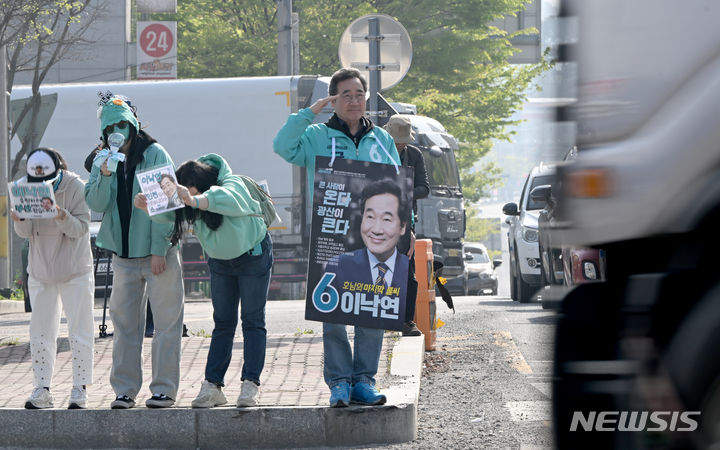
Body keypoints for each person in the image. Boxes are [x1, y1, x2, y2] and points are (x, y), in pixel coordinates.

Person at [273, 67, 400, 408]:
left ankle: (364, 381)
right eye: (346, 95)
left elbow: (397, 187)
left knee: (371, 309)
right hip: (331, 231)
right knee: (333, 310)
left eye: (359, 94)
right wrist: (308, 112)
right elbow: (282, 146)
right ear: (333, 100)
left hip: (375, 235)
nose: (354, 101)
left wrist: (406, 226)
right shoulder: (315, 136)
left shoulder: (382, 139)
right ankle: (339, 382)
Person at [134, 153, 271, 408]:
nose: (187, 196)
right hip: (220, 262)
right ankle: (213, 385)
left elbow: (228, 200)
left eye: (190, 189)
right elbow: (170, 216)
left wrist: (194, 199)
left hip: (253, 256)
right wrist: (147, 207)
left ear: (202, 182)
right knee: (223, 323)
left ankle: (250, 384)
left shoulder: (231, 183)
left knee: (252, 320)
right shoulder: (191, 202)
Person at [84, 94, 184, 409]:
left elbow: (167, 204)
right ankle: (124, 390)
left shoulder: (155, 153)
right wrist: (105, 174)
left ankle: (164, 390)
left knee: (167, 324)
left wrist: (158, 250)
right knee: (125, 326)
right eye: (110, 126)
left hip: (159, 253)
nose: (117, 130)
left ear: (133, 124)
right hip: (123, 256)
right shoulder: (104, 158)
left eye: (122, 124)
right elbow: (95, 203)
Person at [12, 148, 95, 409]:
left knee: (80, 330)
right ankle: (42, 388)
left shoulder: (75, 186)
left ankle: (80, 388)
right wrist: (20, 219)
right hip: (41, 270)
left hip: (75, 269)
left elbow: (81, 228)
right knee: (40, 332)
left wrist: (61, 215)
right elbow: (26, 233)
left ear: (57, 171)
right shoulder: (23, 187)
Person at [384, 114, 430, 336]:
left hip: (406, 220)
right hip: (378, 218)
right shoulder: (377, 152)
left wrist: (402, 189)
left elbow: (424, 188)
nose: (401, 144)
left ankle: (407, 320)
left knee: (407, 272)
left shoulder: (414, 155)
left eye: (403, 140)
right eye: (397, 140)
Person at [326, 180, 410, 300]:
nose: (376, 229)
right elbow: (329, 315)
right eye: (370, 217)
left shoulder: (411, 270)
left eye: (386, 219)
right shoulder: (339, 267)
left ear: (402, 227)